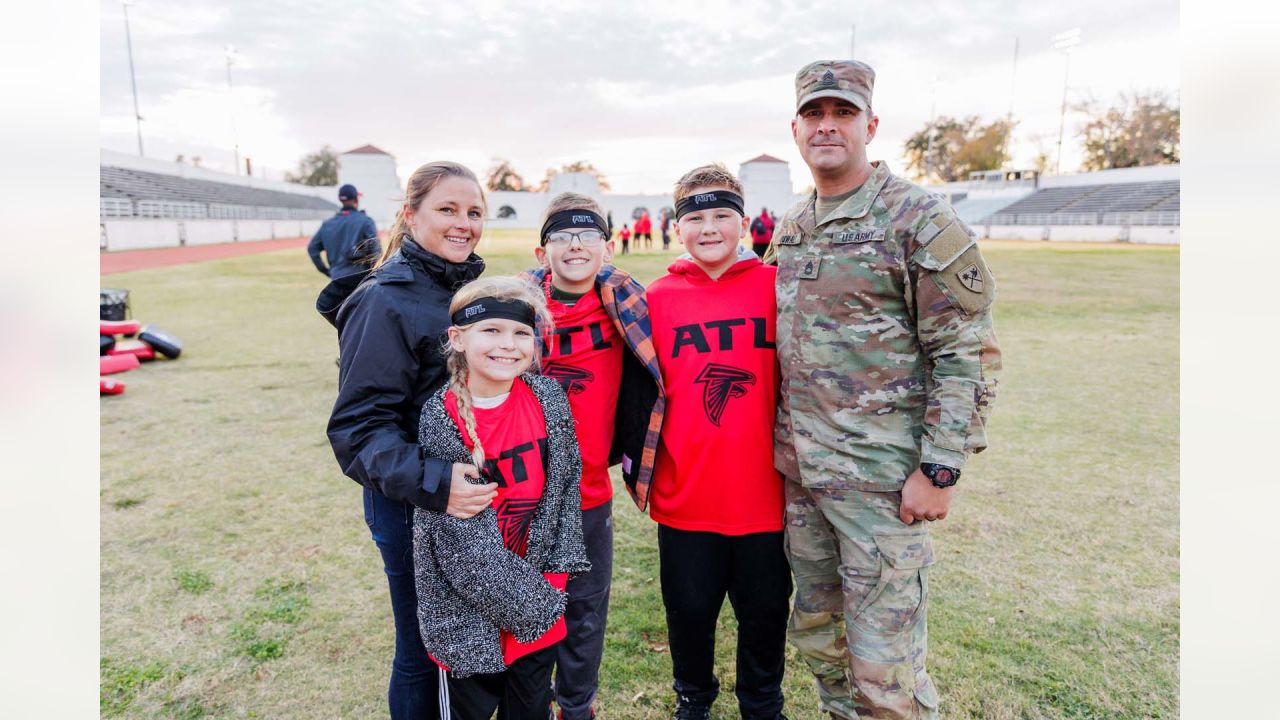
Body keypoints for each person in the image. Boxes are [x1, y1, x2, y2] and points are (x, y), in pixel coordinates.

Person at [769, 60, 1002, 720]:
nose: (827, 126)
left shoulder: (918, 221)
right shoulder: (792, 229)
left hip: (882, 488)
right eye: (814, 115)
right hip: (805, 482)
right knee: (822, 646)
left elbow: (966, 357)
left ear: (870, 124)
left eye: (842, 114)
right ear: (796, 129)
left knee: (886, 670)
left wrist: (940, 468)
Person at [318, 162, 498, 720]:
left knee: (459, 643)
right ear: (410, 214)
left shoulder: (461, 287)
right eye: (447, 209)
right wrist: (436, 482)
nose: (463, 223)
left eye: (473, 212)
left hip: (461, 500)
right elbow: (359, 428)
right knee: (426, 651)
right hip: (412, 504)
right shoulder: (386, 299)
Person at [646, 164, 791, 720]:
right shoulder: (655, 297)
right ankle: (693, 700)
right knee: (688, 610)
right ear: (677, 228)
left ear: (745, 222)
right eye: (696, 218)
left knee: (765, 613)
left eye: (722, 216)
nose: (710, 228)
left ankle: (761, 703)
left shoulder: (779, 285)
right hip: (687, 494)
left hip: (766, 494)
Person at [413, 275, 591, 720]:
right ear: (457, 338)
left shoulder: (547, 396)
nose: (507, 344)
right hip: (469, 608)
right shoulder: (441, 416)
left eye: (520, 333)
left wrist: (554, 578)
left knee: (531, 709)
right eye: (491, 330)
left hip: (540, 591)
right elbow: (462, 550)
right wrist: (542, 606)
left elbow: (566, 490)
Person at [522, 193, 666, 720]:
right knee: (529, 610)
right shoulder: (517, 311)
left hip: (588, 494)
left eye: (586, 235)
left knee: (584, 612)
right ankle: (530, 703)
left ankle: (576, 707)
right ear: (542, 253)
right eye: (561, 236)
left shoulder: (629, 306)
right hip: (524, 495)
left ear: (608, 247)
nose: (574, 245)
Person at [307, 183, 381, 278]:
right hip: (361, 281)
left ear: (340, 200)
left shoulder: (327, 224)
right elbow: (376, 252)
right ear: (356, 199)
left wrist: (327, 271)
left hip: (337, 279)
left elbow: (312, 249)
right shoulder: (366, 221)